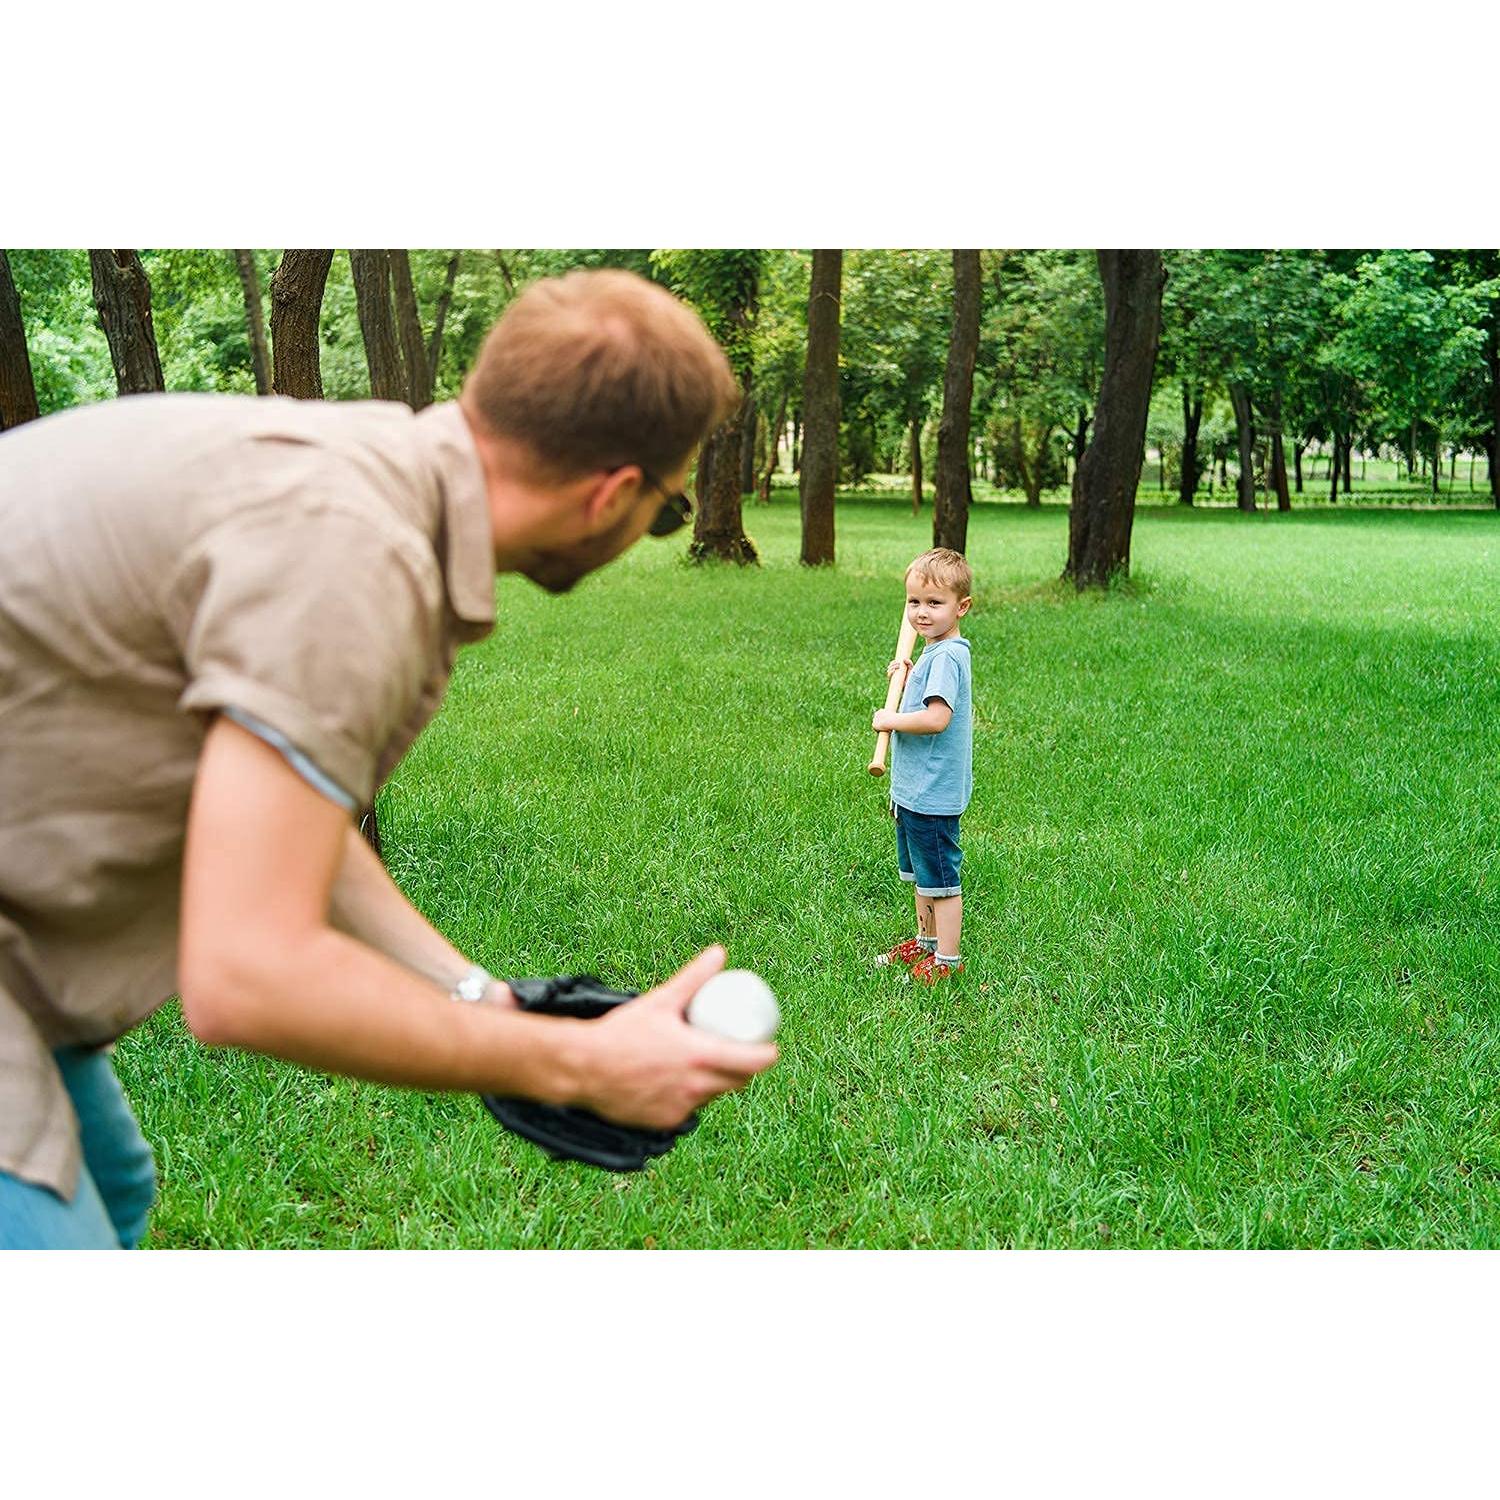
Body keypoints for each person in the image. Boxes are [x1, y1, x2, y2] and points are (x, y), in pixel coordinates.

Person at [0, 267, 779, 1250]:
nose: (650, 529)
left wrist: (482, 999)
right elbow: (246, 976)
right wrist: (565, 1066)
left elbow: (294, 822)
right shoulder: (354, 564)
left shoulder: (365, 482)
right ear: (612, 495)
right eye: (666, 510)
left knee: (111, 1182)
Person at [870, 548, 974, 984]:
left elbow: (936, 719)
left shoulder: (949, 657)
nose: (922, 612)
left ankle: (947, 961)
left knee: (942, 881)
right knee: (921, 876)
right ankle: (925, 943)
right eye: (915, 602)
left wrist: (889, 719)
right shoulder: (934, 653)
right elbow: (924, 694)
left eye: (935, 603)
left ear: (961, 607)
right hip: (912, 789)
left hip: (933, 794)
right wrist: (908, 671)